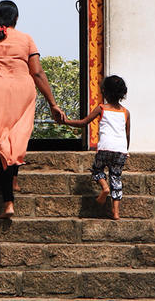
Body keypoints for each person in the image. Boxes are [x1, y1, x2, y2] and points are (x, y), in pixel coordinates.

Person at [0, 0, 64, 219]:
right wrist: (52, 103)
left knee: (0, 142)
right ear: (16, 19)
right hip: (22, 92)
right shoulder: (26, 39)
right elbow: (37, 73)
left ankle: (8, 203)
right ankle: (14, 178)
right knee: (16, 137)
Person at [57, 75, 130, 220]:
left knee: (97, 170)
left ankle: (105, 188)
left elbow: (83, 123)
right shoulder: (125, 112)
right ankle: (116, 212)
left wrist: (66, 122)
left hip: (105, 147)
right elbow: (127, 134)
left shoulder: (102, 108)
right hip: (121, 150)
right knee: (116, 177)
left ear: (104, 92)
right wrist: (126, 150)